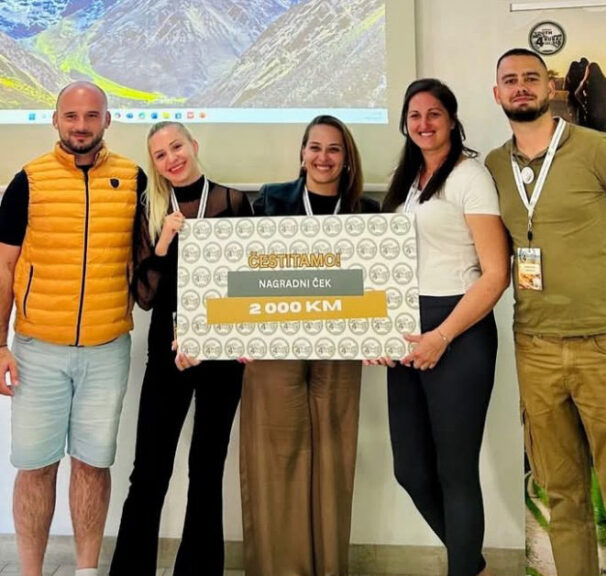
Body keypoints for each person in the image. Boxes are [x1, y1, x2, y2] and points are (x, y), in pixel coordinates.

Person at [486, 48, 606, 576]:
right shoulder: (494, 166)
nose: (521, 86)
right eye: (510, 80)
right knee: (562, 497)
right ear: (497, 93)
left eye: (531, 77)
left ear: (550, 87)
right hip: (536, 346)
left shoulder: (596, 149)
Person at [0, 81, 145, 576]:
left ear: (107, 120)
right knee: (35, 466)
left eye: (91, 116)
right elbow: (4, 268)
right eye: (71, 116)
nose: (80, 126)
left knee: (93, 464)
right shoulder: (28, 181)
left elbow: (151, 259)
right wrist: (0, 345)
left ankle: (86, 571)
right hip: (37, 350)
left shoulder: (133, 179)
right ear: (55, 120)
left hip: (107, 349)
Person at [375, 79, 509, 576]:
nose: (424, 123)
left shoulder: (470, 176)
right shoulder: (406, 181)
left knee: (455, 471)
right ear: (405, 124)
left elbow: (495, 274)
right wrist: (377, 331)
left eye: (434, 113)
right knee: (410, 470)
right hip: (408, 328)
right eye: (414, 115)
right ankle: (471, 564)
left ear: (452, 120)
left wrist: (443, 335)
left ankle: (462, 569)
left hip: (459, 329)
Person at [109, 121, 250, 576]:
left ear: (194, 145)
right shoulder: (149, 209)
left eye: (177, 146)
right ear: (154, 164)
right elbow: (144, 296)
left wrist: (236, 338)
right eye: (160, 154)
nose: (171, 158)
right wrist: (166, 240)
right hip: (168, 352)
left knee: (207, 468)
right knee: (149, 469)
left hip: (221, 352)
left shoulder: (234, 202)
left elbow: (247, 283)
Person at [239, 115, 378, 576]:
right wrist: (236, 330)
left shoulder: (367, 211)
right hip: (274, 346)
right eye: (315, 147)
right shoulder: (270, 199)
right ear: (302, 154)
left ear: (347, 158)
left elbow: (377, 283)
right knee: (276, 457)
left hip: (340, 347)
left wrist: (379, 331)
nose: (323, 157)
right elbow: (242, 268)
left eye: (334, 149)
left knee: (334, 459)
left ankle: (328, 567)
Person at [573, 62, 606, 133]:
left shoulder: (586, 81)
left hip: (591, 108)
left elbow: (577, 93)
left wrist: (583, 103)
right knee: (602, 130)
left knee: (592, 131)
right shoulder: (605, 81)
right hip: (603, 109)